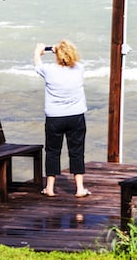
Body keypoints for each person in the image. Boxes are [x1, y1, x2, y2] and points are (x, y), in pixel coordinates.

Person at [33, 40, 90, 198]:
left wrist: (39, 51)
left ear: (57, 54)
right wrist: (61, 49)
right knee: (77, 152)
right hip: (76, 116)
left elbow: (37, 64)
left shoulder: (49, 70)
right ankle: (79, 188)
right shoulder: (79, 69)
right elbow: (72, 59)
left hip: (54, 117)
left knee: (52, 151)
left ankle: (50, 188)